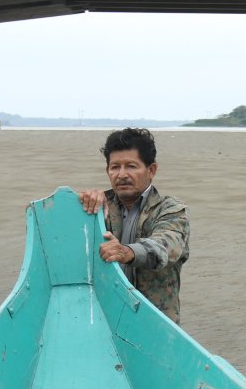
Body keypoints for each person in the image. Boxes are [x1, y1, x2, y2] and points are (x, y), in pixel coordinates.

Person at [79, 128, 190, 324]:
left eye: (131, 166)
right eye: (115, 167)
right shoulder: (97, 207)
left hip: (154, 322)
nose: (122, 175)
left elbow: (167, 245)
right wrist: (78, 203)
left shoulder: (170, 209)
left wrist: (127, 252)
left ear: (151, 170)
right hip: (105, 319)